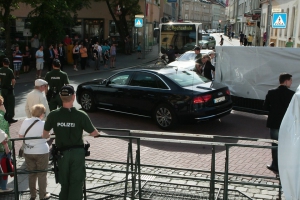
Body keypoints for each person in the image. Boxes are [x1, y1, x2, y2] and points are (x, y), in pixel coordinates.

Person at [42, 85, 101, 200]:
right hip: (77, 153)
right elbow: (95, 133)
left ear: (60, 97)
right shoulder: (81, 115)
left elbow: (45, 135)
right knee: (77, 183)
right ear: (73, 97)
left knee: (64, 183)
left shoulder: (53, 115)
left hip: (61, 154)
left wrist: (50, 134)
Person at [263, 73, 294, 173]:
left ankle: (275, 165)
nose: (291, 83)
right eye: (290, 81)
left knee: (275, 144)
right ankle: (285, 164)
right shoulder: (291, 94)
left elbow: (265, 107)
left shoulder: (271, 92)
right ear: (286, 81)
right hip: (286, 124)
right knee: (285, 144)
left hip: (274, 122)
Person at [19, 104, 51, 200]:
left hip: (28, 151)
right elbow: (48, 135)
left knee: (32, 173)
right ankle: (42, 195)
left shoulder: (26, 121)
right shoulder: (43, 123)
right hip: (42, 151)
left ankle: (33, 195)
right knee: (42, 174)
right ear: (41, 114)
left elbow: (21, 136)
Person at [0, 95, 13, 192]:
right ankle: (3, 187)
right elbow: (2, 134)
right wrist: (6, 147)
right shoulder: (0, 117)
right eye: (2, 103)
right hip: (2, 147)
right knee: (4, 166)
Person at [0, 58, 17, 124]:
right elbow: (13, 80)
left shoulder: (0, 70)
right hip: (9, 89)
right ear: (9, 63)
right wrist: (12, 86)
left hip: (3, 89)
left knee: (4, 103)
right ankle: (10, 117)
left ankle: (5, 116)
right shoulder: (9, 70)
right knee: (11, 103)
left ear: (3, 63)